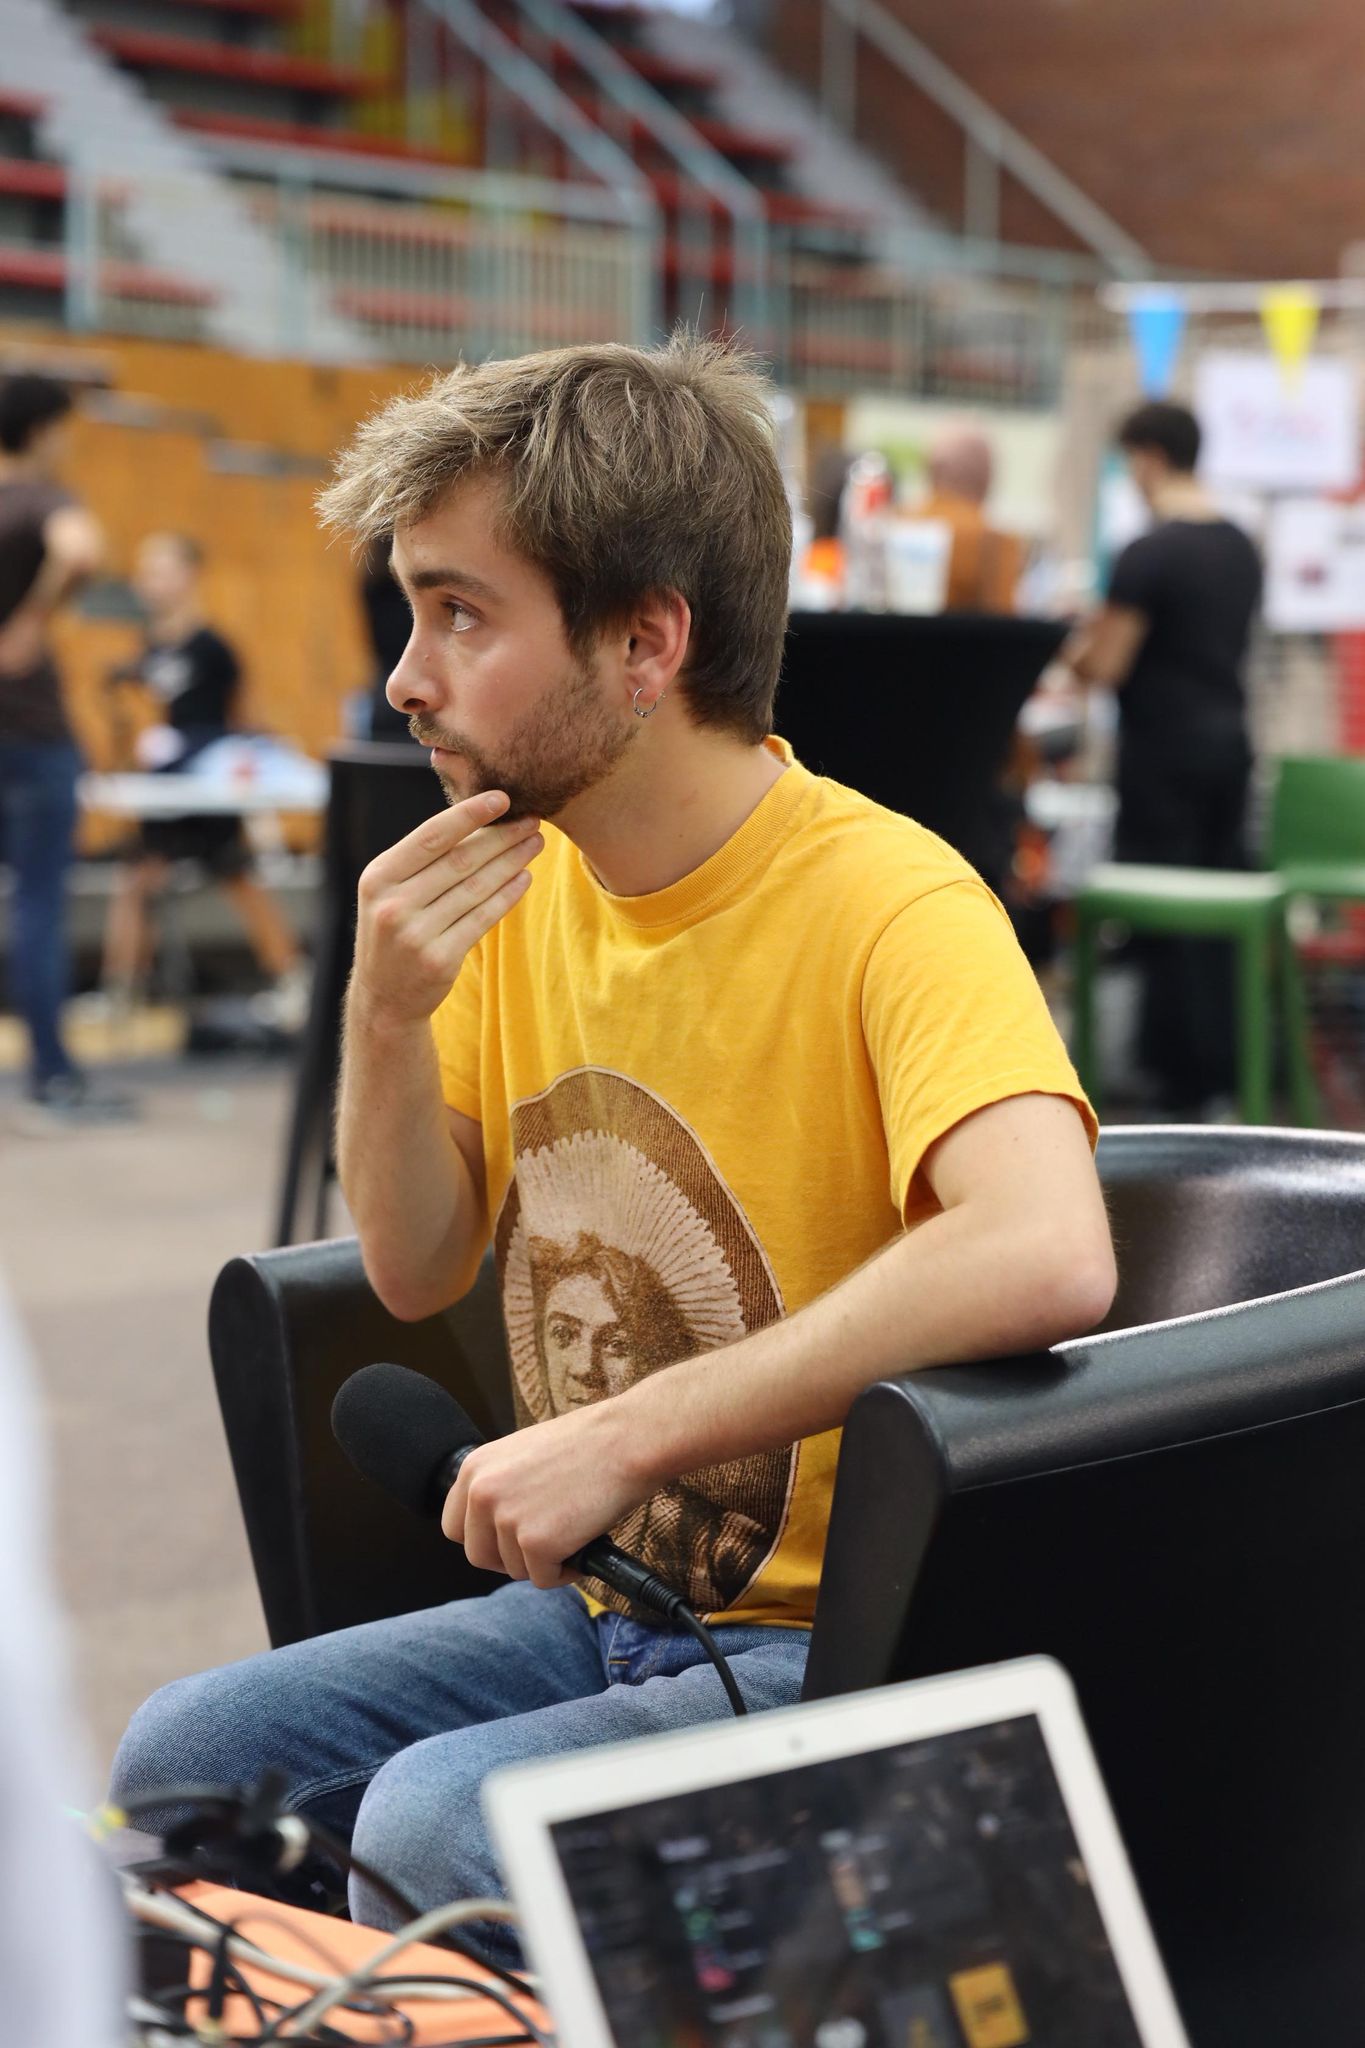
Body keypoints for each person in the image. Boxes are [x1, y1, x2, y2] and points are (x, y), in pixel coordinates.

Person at [111, 336, 1115, 1951]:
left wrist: (629, 1435)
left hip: (846, 1645)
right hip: (606, 1609)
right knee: (182, 1763)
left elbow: (1047, 1245)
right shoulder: (521, 890)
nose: (406, 679)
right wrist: (384, 1012)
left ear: (646, 642)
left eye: (460, 613)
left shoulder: (893, 900)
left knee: (441, 1821)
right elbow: (414, 1262)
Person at [1050, 400, 1262, 1111]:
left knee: (1163, 914)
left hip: (1162, 755)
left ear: (1148, 456)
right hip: (1229, 746)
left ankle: (1173, 1083)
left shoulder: (1148, 553)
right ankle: (1224, 1075)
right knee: (1220, 907)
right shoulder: (1241, 547)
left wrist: (1070, 645)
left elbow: (1106, 664)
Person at [102, 532, 309, 1029]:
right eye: (145, 573)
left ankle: (293, 979)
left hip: (209, 787)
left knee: (238, 877)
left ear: (189, 575)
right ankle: (122, 991)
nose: (151, 582)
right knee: (138, 877)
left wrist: (254, 764)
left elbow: (244, 716)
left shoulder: (213, 648)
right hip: (168, 788)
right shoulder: (150, 648)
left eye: (161, 570)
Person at [0, 373, 127, 1123]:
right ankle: (51, 1076)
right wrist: (31, 620)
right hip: (32, 734)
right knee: (39, 906)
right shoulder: (43, 500)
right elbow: (80, 551)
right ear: (44, 429)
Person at [909, 426, 1023, 614]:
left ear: (931, 471)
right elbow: (1004, 620)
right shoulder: (995, 543)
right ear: (985, 477)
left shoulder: (894, 526)